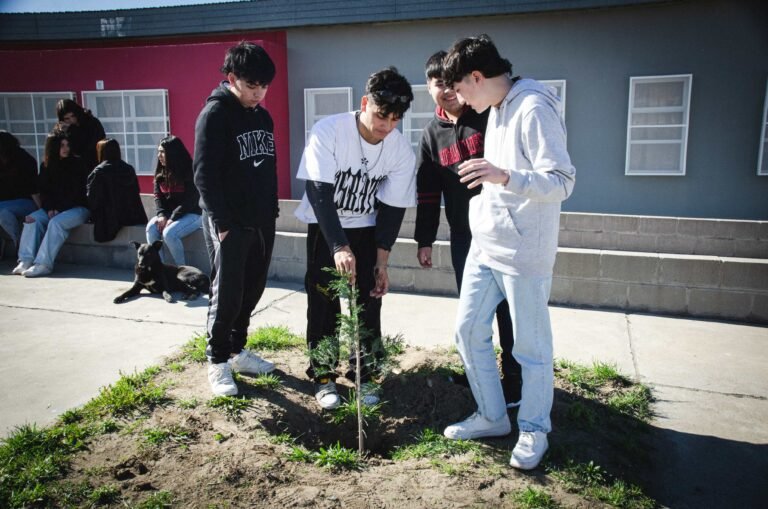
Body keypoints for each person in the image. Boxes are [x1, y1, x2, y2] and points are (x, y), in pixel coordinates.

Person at [439, 35, 576, 471]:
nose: (457, 99)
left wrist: (503, 175)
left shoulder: (534, 107)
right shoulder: (496, 108)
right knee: (467, 331)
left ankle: (534, 429)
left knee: (530, 349)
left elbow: (561, 181)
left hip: (524, 254)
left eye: (460, 89)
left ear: (477, 77)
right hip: (487, 245)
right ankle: (494, 417)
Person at [294, 67, 416, 410]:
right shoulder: (329, 130)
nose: (386, 126)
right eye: (380, 115)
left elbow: (392, 210)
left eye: (395, 119)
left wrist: (381, 263)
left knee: (370, 300)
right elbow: (318, 190)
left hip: (367, 228)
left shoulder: (400, 150)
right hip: (325, 226)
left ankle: (366, 373)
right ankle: (323, 375)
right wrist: (338, 246)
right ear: (365, 103)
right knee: (324, 301)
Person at [414, 51, 522, 407]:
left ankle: (515, 382)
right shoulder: (431, 135)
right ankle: (480, 373)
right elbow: (428, 192)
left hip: (503, 232)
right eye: (438, 84)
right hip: (464, 237)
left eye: (451, 83)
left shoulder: (489, 115)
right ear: (428, 87)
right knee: (474, 313)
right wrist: (424, 239)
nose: (447, 90)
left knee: (508, 310)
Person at [193, 41, 278, 397]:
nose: (258, 93)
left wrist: (269, 212)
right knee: (226, 294)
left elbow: (267, 169)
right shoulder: (215, 114)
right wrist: (222, 223)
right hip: (228, 223)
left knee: (253, 288)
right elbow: (203, 176)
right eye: (251, 85)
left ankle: (237, 350)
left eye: (263, 86)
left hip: (261, 220)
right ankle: (217, 361)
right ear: (232, 78)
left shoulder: (262, 116)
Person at [13, 132, 90, 277]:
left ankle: (43, 264)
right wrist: (49, 208)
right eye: (62, 145)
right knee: (32, 219)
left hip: (78, 208)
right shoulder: (46, 166)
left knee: (55, 223)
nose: (66, 148)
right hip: (54, 208)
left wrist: (58, 209)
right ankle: (25, 260)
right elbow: (44, 192)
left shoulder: (78, 163)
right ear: (53, 147)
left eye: (67, 145)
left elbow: (77, 192)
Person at [146, 135, 202, 266]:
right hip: (169, 215)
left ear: (173, 153)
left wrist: (173, 218)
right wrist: (161, 215)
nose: (159, 155)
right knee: (151, 228)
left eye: (163, 152)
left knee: (169, 234)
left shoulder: (189, 171)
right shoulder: (161, 171)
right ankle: (158, 268)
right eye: (158, 151)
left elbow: (191, 200)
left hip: (192, 214)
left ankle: (182, 270)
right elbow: (157, 196)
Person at [86, 138, 148, 242]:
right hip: (133, 215)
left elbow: (93, 199)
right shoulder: (128, 169)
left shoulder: (99, 172)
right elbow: (136, 191)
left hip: (109, 218)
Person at [0, 130, 40, 253]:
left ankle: (19, 242)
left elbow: (34, 188)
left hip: (26, 201)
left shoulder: (24, 161)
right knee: (3, 213)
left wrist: (41, 209)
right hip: (5, 204)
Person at [55, 98, 106, 171]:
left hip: (94, 163)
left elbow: (90, 145)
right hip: (75, 167)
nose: (71, 120)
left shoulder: (92, 123)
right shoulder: (64, 129)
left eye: (73, 116)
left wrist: (71, 130)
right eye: (67, 119)